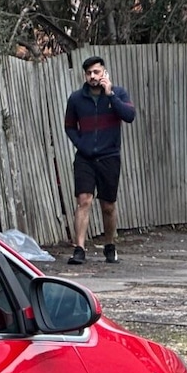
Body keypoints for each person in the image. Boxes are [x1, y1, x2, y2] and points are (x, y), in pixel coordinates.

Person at [64, 55, 136, 264]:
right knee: (83, 200)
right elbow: (69, 126)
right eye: (89, 73)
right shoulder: (76, 98)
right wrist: (82, 144)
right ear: (85, 76)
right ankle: (79, 249)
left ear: (104, 72)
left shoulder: (118, 94)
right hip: (85, 158)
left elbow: (129, 116)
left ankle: (110, 245)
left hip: (109, 157)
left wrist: (111, 95)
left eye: (96, 72)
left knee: (108, 205)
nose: (93, 76)